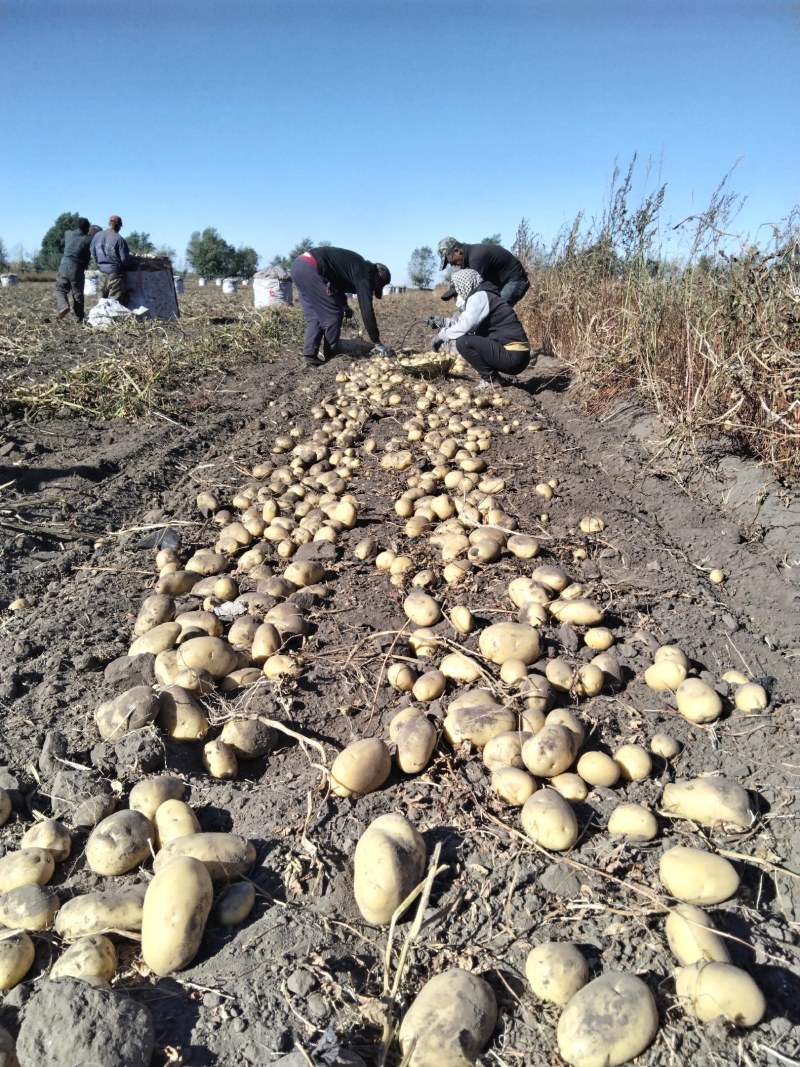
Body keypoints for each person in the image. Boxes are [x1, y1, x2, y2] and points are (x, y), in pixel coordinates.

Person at [428, 268, 532, 387]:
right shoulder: (484, 295)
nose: (456, 299)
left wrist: (441, 336)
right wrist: (442, 322)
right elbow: (462, 321)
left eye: (456, 294)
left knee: (463, 342)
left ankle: (490, 379)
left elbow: (465, 327)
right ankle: (493, 378)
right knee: (473, 338)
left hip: (513, 355)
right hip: (516, 355)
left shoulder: (479, 296)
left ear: (466, 285)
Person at [289, 246, 391, 366]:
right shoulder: (366, 273)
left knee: (316, 317)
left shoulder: (355, 266)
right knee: (333, 313)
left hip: (299, 266)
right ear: (377, 278)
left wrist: (345, 305)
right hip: (312, 267)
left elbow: (337, 284)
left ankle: (309, 356)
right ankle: (332, 353)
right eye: (375, 287)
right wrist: (376, 341)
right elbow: (366, 309)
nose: (372, 289)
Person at [438, 236, 529, 306]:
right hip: (502, 284)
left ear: (457, 251)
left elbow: (475, 293)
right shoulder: (468, 258)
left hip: (515, 280)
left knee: (495, 312)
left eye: (448, 260)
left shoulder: (476, 258)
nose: (451, 264)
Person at [54, 217, 95, 322]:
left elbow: (69, 231)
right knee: (77, 294)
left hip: (63, 266)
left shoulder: (68, 234)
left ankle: (63, 306)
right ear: (87, 228)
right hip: (77, 268)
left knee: (60, 289)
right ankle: (78, 317)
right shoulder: (88, 239)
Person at [90, 215, 131, 303]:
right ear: (119, 226)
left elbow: (93, 252)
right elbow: (124, 259)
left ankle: (99, 315)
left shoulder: (97, 235)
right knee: (113, 301)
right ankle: (112, 316)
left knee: (100, 299)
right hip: (115, 274)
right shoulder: (119, 239)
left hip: (101, 272)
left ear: (109, 223)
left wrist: (98, 263)